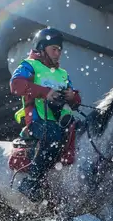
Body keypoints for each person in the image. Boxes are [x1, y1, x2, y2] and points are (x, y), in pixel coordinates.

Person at [10, 27, 82, 202]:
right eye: (54, 49)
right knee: (54, 136)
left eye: (60, 50)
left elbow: (76, 100)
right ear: (42, 49)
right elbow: (16, 85)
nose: (58, 54)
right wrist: (45, 92)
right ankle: (31, 181)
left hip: (61, 119)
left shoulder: (62, 73)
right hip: (38, 119)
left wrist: (72, 96)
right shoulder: (29, 65)